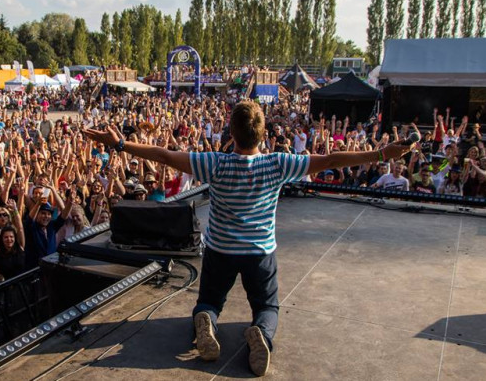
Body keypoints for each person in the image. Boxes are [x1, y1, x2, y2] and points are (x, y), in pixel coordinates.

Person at [82, 100, 412, 377]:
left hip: (221, 248)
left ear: (231, 132)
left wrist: (121, 145)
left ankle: (206, 319)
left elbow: (165, 156)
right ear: (262, 133)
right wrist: (382, 155)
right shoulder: (278, 163)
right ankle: (261, 334)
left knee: (210, 301)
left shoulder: (214, 163)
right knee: (267, 306)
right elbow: (329, 160)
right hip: (259, 251)